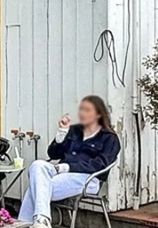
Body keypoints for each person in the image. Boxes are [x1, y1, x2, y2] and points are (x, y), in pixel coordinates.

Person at [17, 95, 120, 227]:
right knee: (37, 165)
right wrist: (62, 132)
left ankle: (28, 222)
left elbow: (100, 165)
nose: (82, 113)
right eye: (81, 109)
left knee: (37, 186)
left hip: (89, 179)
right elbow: (53, 154)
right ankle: (41, 220)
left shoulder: (109, 138)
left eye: (87, 110)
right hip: (61, 174)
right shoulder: (75, 131)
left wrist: (67, 167)